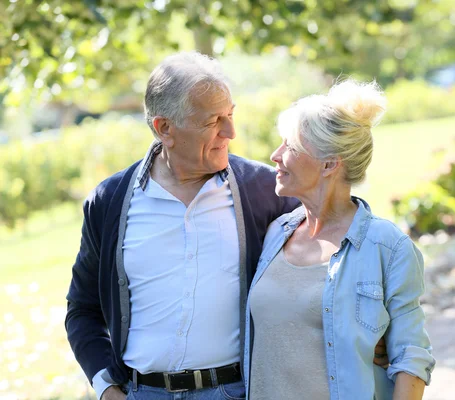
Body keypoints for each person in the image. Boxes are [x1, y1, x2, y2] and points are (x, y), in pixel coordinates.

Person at [65, 52, 387, 400]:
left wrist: (376, 324)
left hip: (236, 392)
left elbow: (342, 240)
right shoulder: (109, 201)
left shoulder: (265, 191)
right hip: (143, 393)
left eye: (230, 114)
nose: (230, 131)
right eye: (213, 121)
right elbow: (82, 310)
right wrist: (107, 388)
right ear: (164, 129)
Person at [243, 80, 435, 399]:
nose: (275, 156)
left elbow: (411, 357)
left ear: (329, 164)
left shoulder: (387, 247)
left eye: (290, 146)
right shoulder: (277, 233)